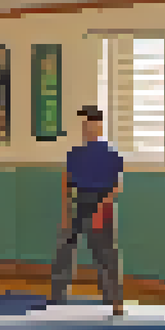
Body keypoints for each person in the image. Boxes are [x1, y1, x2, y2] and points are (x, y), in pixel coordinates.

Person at [54, 106, 124, 315]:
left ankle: (114, 300)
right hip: (79, 201)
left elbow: (117, 186)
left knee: (105, 253)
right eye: (85, 126)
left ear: (100, 127)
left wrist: (102, 208)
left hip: (102, 203)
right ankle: (57, 297)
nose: (88, 129)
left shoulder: (111, 155)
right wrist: (66, 213)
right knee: (64, 248)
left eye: (92, 125)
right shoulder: (75, 154)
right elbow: (66, 182)